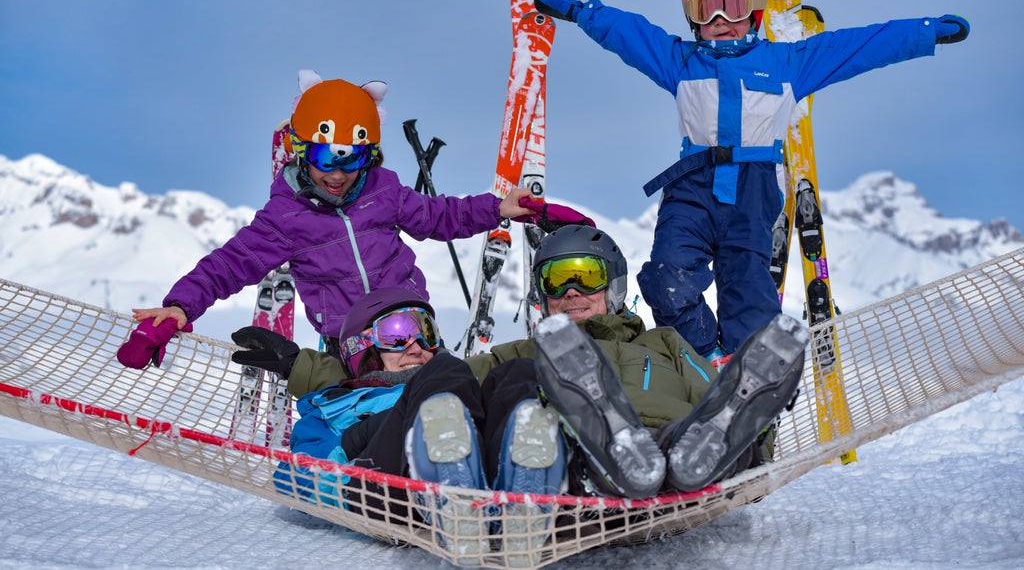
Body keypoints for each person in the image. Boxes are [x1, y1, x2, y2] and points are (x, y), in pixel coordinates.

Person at [532, 0, 970, 363]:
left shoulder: (787, 65)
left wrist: (925, 33)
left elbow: (861, 46)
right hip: (692, 187)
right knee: (666, 277)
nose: (720, 17)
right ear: (692, 16)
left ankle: (747, 370)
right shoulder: (679, 61)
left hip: (754, 191)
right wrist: (577, 11)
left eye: (734, 3)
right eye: (707, 6)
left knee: (750, 294)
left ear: (756, 10)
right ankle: (704, 359)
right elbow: (628, 32)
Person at [235, 225, 806, 500]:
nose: (575, 289)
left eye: (588, 275)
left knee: (710, 427)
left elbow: (712, 389)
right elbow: (420, 385)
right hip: (583, 456)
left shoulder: (666, 343)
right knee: (512, 379)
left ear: (613, 288)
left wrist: (759, 424)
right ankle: (607, 458)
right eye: (560, 278)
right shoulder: (526, 353)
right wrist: (309, 366)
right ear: (543, 297)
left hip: (678, 442)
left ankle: (703, 452)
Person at [126, 71, 535, 364]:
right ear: (302, 151)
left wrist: (497, 208)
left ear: (369, 155)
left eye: (353, 158)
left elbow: (441, 216)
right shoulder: (286, 216)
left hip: (413, 327)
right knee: (365, 419)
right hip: (349, 342)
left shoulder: (384, 190)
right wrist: (181, 306)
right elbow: (229, 264)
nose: (337, 174)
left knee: (439, 403)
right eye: (324, 157)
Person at [269, 287, 567, 564]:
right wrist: (354, 439)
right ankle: (451, 499)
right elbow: (292, 477)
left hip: (484, 491)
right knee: (445, 371)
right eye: (397, 335)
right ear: (362, 349)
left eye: (426, 332)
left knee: (518, 372)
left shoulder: (452, 380)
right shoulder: (331, 408)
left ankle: (525, 500)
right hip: (383, 492)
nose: (416, 348)